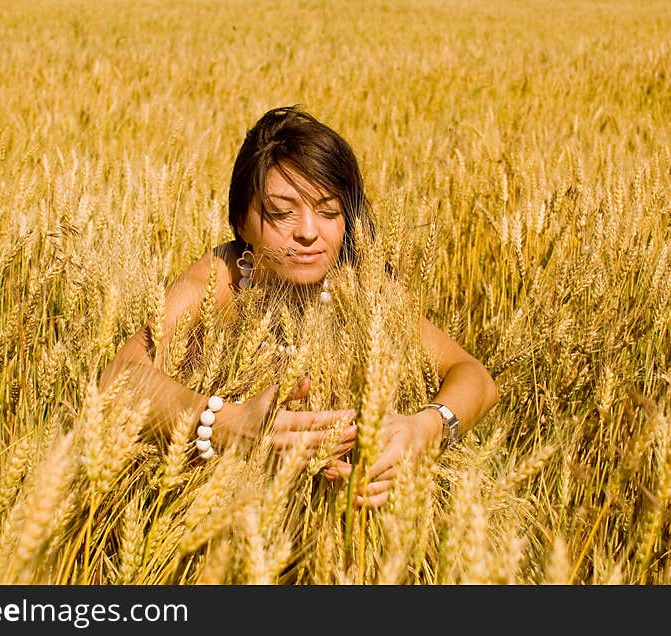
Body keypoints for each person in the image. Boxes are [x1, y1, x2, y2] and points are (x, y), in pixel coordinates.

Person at [99, 105, 499, 508]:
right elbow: (117, 382)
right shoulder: (220, 281)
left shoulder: (359, 286)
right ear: (241, 221)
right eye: (281, 212)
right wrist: (225, 423)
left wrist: (427, 428)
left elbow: (477, 378)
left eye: (328, 211)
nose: (309, 232)